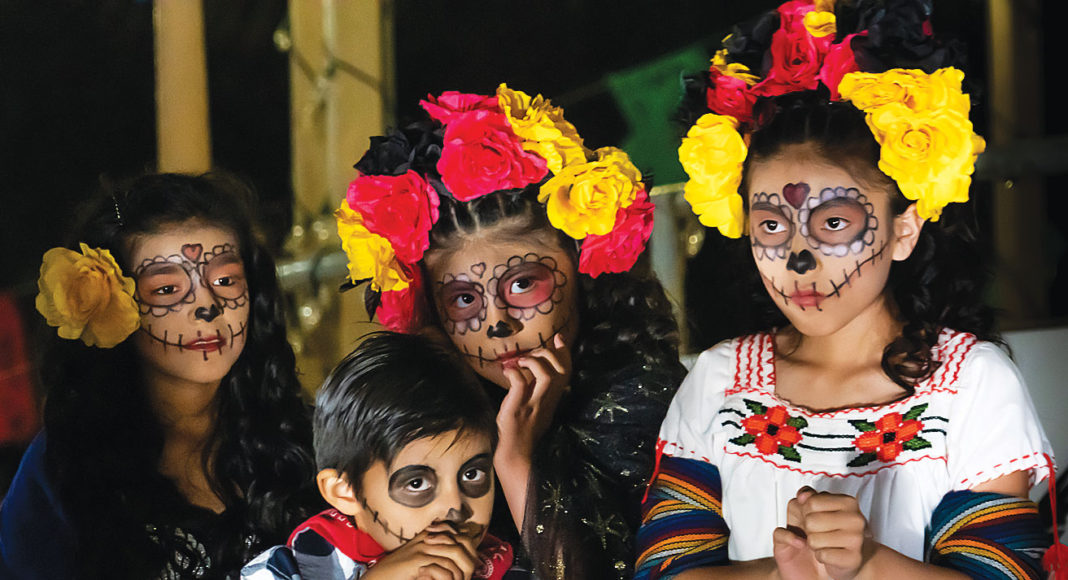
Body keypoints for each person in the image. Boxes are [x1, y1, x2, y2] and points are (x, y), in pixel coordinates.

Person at [635, 1, 1055, 579]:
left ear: (904, 229)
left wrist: (869, 563)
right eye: (772, 225)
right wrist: (783, 572)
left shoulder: (971, 385)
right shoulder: (718, 381)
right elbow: (663, 568)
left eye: (834, 223)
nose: (797, 258)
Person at [333, 85, 687, 578]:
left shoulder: (659, 406)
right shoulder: (420, 429)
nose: (497, 323)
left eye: (523, 284)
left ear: (581, 272)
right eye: (464, 299)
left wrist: (516, 459)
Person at [0, 173, 319, 578]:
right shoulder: (64, 465)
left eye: (225, 281)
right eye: (167, 289)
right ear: (112, 308)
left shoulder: (304, 440)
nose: (207, 306)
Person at [242, 331, 514, 580]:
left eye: (472, 474)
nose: (455, 506)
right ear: (345, 491)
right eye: (417, 483)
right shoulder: (281, 571)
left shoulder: (508, 566)